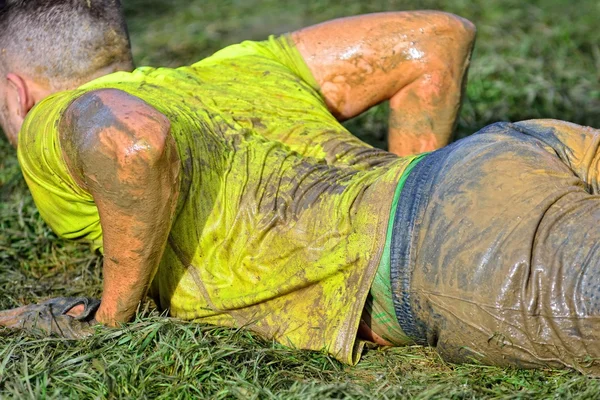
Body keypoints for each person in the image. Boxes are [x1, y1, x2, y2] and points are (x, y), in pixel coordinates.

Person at [3, 0, 600, 376]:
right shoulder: (236, 64)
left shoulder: (49, 120)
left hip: (453, 247)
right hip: (522, 150)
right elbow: (436, 35)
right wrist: (429, 187)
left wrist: (110, 317)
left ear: (13, 91)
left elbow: (133, 144)